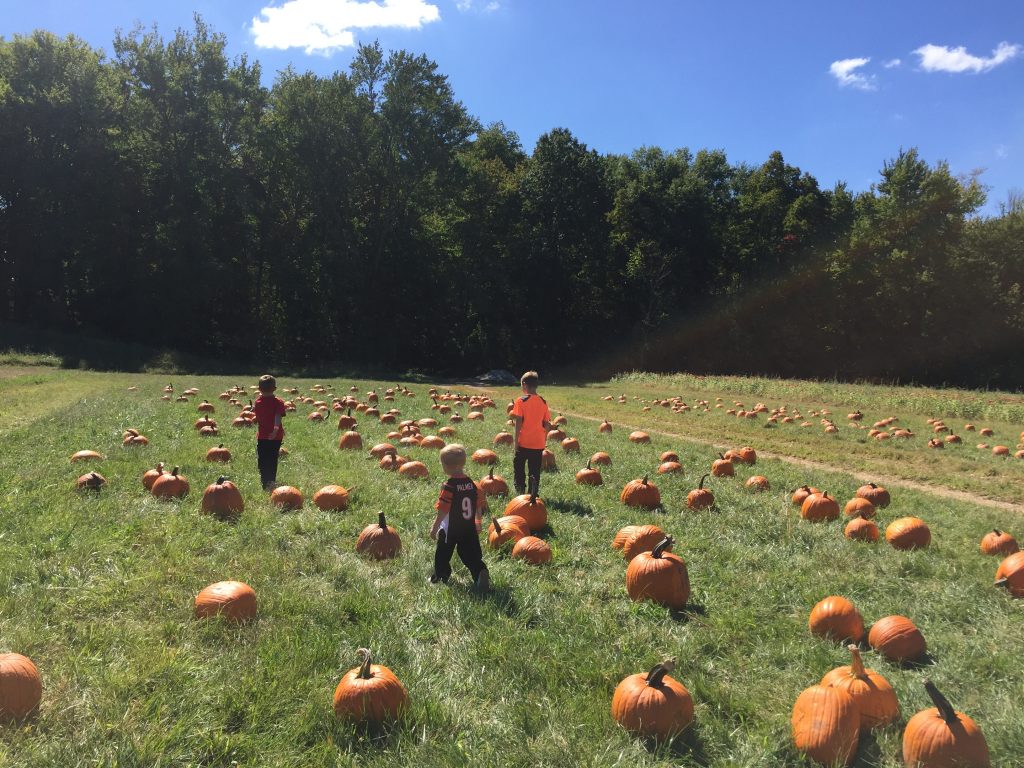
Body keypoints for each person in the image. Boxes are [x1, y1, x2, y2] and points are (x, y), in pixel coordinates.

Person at [429, 444, 490, 592]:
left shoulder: (449, 486)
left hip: (451, 529)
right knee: (469, 554)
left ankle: (440, 576)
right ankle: (479, 571)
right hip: (468, 528)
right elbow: (478, 506)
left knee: (442, 554)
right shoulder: (471, 484)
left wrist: (435, 527)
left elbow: (443, 510)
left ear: (446, 467)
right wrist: (478, 524)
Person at [510, 370, 552, 496]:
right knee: (534, 471)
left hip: (523, 442)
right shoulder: (543, 402)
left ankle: (520, 491)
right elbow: (547, 424)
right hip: (538, 444)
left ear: (524, 384)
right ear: (536, 385)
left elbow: (518, 422)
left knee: (519, 468)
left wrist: (516, 442)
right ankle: (533, 493)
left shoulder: (521, 401)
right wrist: (543, 438)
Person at [253, 374, 286, 490]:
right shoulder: (278, 402)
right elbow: (277, 417)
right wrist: (277, 429)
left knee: (262, 458)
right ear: (274, 389)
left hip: (262, 436)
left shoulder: (257, 402)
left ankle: (264, 480)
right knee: (272, 459)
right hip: (276, 437)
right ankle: (271, 481)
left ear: (259, 389)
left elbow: (259, 416)